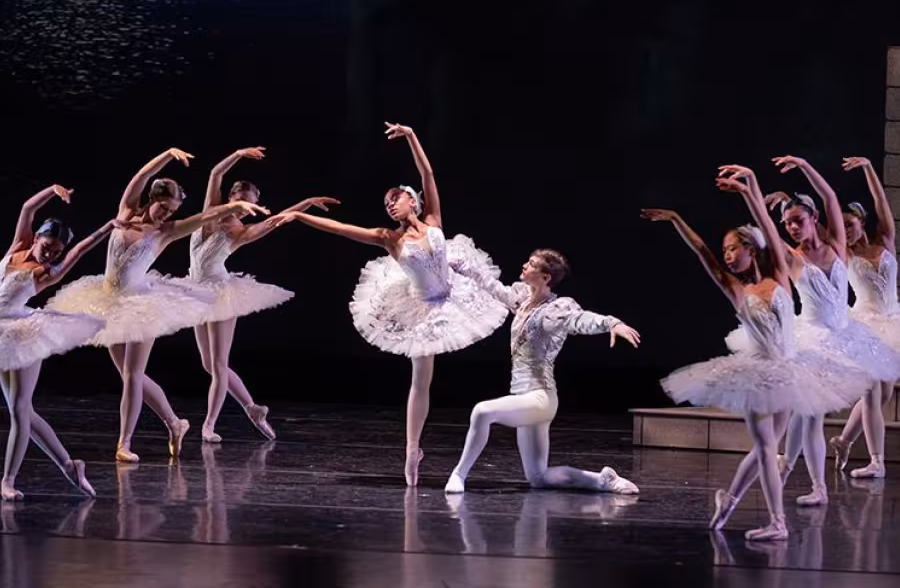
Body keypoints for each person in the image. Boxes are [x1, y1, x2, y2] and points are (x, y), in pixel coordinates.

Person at [643, 164, 874, 540]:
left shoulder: (781, 274)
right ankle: (777, 523)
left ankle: (730, 499)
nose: (728, 256)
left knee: (764, 451)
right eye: (726, 251)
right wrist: (676, 219)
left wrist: (750, 184)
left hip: (790, 371)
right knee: (768, 447)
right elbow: (703, 251)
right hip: (756, 373)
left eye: (733, 249)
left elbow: (768, 225)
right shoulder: (736, 290)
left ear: (751, 251)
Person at [279, 122, 508, 485]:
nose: (389, 205)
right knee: (421, 381)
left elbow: (427, 172)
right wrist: (300, 214)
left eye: (394, 199)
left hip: (455, 297)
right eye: (385, 204)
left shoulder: (433, 218)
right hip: (423, 308)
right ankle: (411, 449)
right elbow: (340, 228)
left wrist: (413, 135)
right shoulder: (390, 239)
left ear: (411, 200)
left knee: (485, 318)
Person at [47, 148, 268, 463]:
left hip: (142, 304)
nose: (168, 214)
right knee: (126, 374)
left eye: (173, 209)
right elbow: (140, 177)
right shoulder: (124, 212)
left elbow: (204, 217)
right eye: (164, 207)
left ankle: (124, 442)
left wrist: (234, 206)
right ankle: (175, 423)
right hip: (108, 299)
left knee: (134, 374)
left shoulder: (166, 232)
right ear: (152, 199)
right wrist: (167, 155)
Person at [442, 249, 641, 496]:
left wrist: (611, 322)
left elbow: (580, 319)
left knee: (482, 411)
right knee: (538, 477)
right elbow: (493, 287)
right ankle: (603, 480)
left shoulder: (555, 310)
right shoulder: (523, 301)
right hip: (524, 399)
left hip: (540, 398)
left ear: (546, 277)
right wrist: (463, 266)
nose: (525, 265)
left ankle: (459, 474)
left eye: (532, 264)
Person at [762, 156, 900, 505]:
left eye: (853, 225)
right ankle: (866, 463)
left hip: (875, 327)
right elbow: (791, 224)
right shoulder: (830, 251)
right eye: (788, 223)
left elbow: (837, 203)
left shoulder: (870, 242)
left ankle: (839, 446)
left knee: (879, 396)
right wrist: (765, 194)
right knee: (828, 404)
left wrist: (865, 168)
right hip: (841, 328)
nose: (850, 230)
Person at [189, 146, 339, 442]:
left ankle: (209, 425)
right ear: (231, 199)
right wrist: (238, 154)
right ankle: (252, 408)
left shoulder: (242, 232)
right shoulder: (210, 214)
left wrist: (305, 204)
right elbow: (215, 173)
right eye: (242, 201)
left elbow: (279, 220)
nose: (246, 207)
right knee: (208, 365)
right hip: (195, 292)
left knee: (218, 364)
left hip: (221, 294)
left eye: (252, 204)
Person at [1, 184, 121, 500]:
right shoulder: (17, 247)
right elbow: (28, 208)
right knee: (22, 411)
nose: (51, 253)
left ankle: (8, 480)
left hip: (23, 334)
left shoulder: (45, 273)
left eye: (56, 251)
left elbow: (78, 250)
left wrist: (108, 227)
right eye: (49, 245)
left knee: (19, 409)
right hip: (1, 336)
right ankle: (69, 465)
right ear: (37, 237)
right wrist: (52, 191)